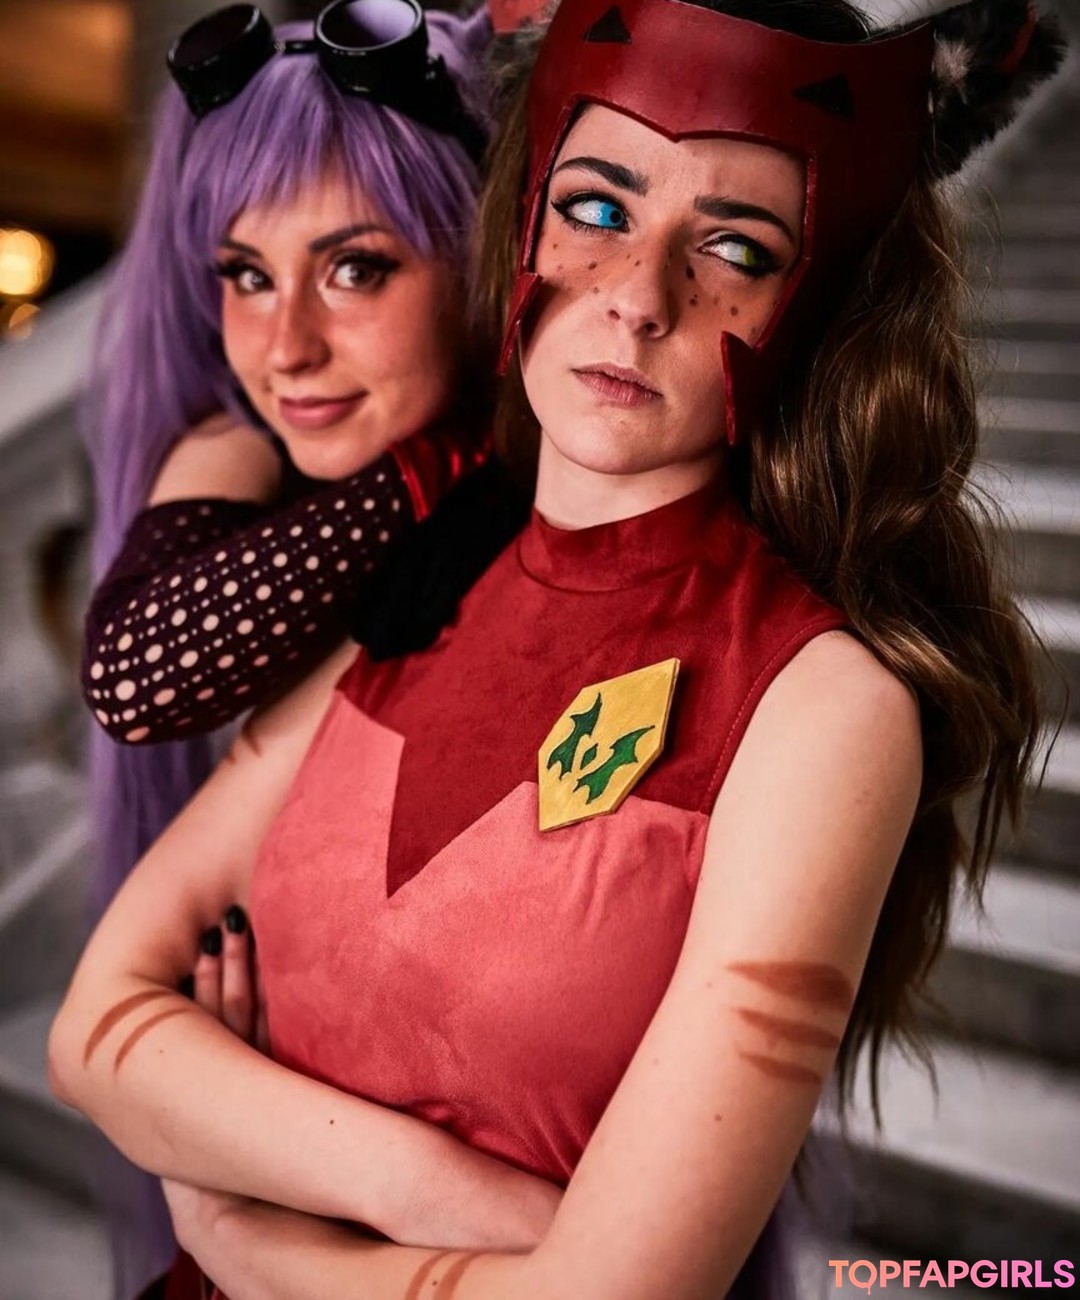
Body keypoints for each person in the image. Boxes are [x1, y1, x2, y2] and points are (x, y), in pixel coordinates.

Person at [50, 0, 1064, 1295]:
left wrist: (247, 1228)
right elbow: (94, 1029)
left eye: (735, 245)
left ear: (816, 306)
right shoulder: (420, 579)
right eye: (595, 208)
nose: (638, 298)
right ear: (521, 222)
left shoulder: (823, 706)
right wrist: (418, 1189)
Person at [80, 0, 494, 912]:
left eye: (355, 269)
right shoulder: (236, 447)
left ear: (477, 257)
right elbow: (132, 678)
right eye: (249, 275)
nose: (285, 349)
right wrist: (446, 463)